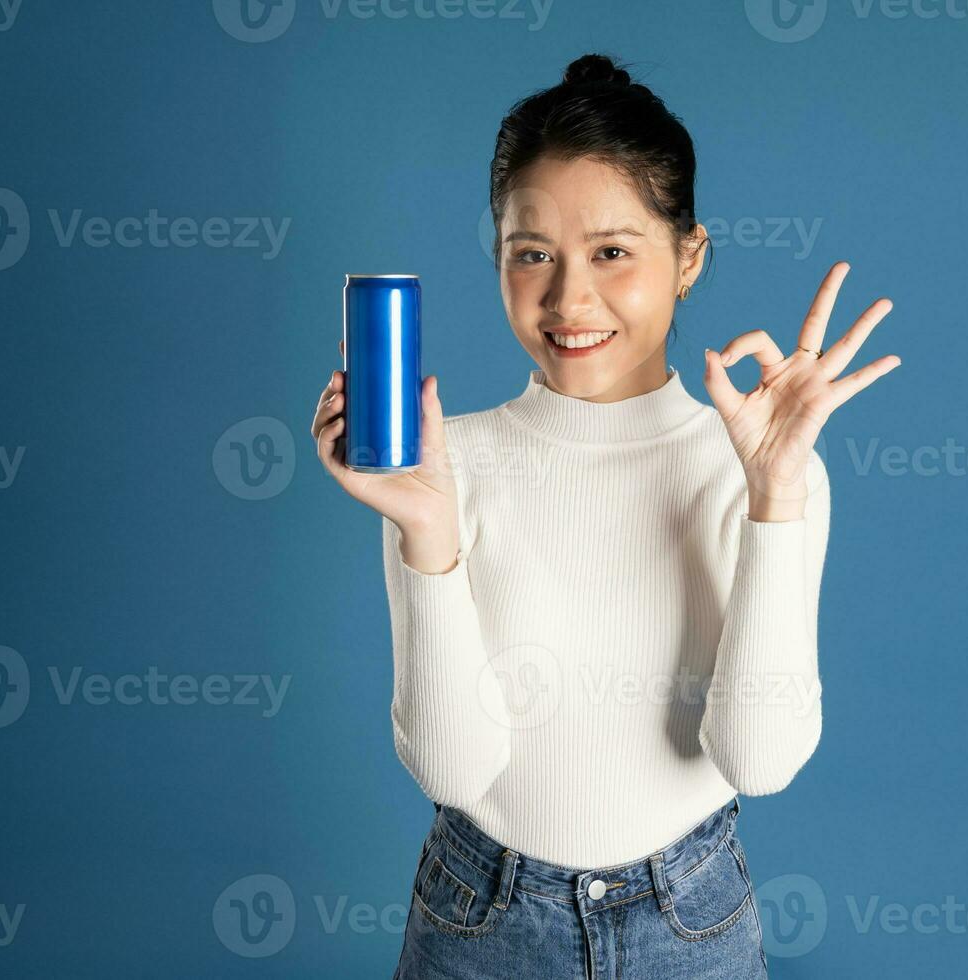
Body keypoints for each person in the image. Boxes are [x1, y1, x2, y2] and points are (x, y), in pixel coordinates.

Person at [312, 52, 899, 980]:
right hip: (480, 921)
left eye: (613, 252)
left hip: (689, 922)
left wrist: (775, 499)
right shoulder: (442, 463)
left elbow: (760, 759)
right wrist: (426, 529)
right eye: (532, 254)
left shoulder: (761, 466)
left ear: (689, 256)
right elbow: (452, 774)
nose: (568, 298)